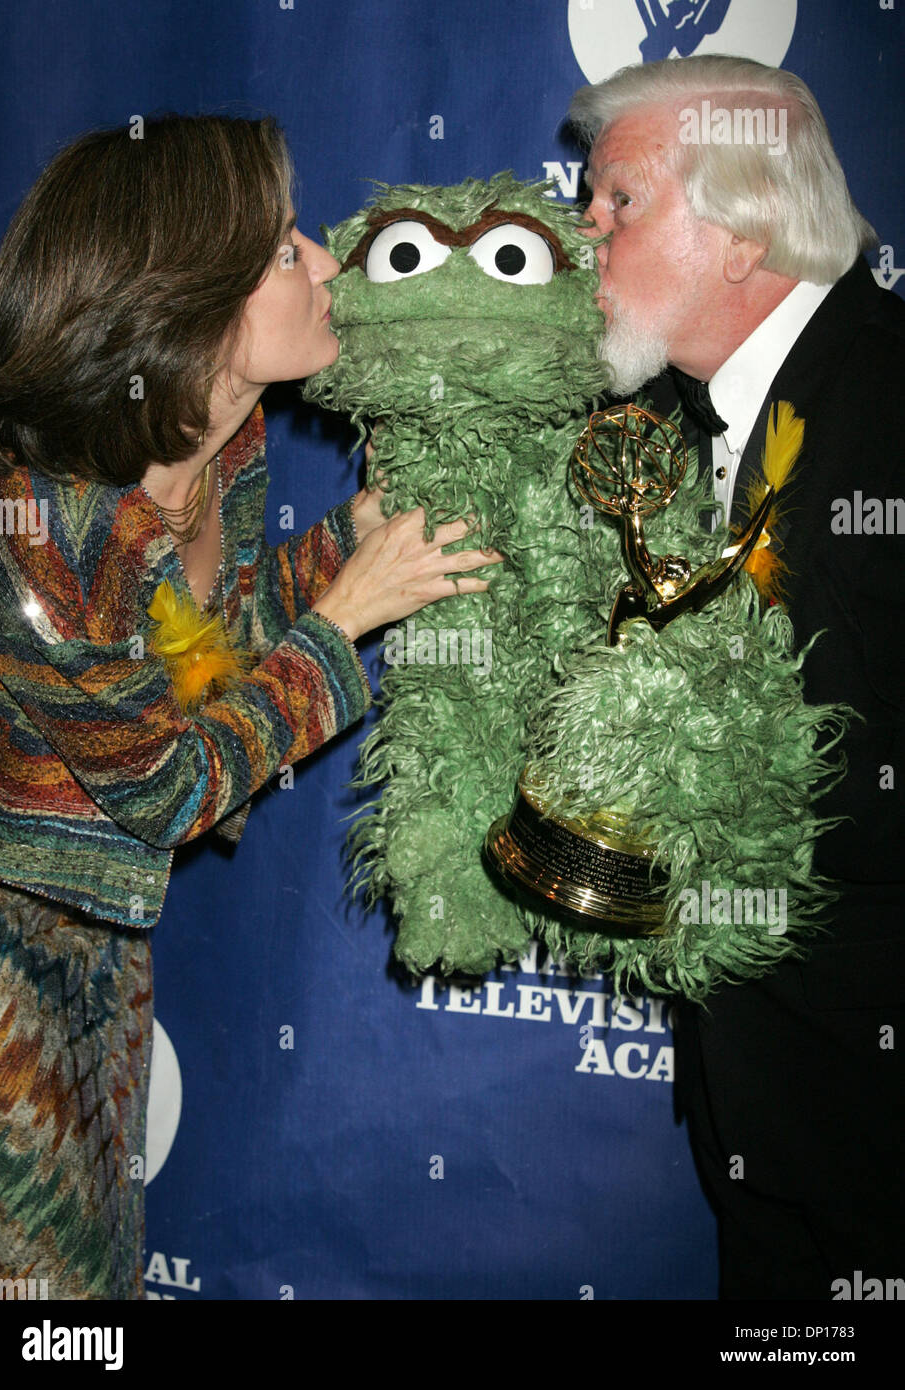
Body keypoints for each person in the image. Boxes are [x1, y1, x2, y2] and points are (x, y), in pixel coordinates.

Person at [0, 114, 500, 1300]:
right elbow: (162, 785)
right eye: (280, 253)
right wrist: (344, 622)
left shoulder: (224, 439)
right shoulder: (39, 521)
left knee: (93, 1274)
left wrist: (335, 558)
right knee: (31, 1296)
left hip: (99, 938)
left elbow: (203, 653)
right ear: (184, 299)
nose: (324, 264)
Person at [570, 55, 905, 1299]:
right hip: (761, 1109)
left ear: (742, 230)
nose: (582, 237)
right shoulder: (667, 429)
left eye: (617, 204)